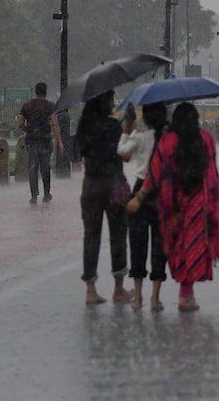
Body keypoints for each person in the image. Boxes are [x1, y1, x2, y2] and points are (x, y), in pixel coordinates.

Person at [128, 103, 219, 313]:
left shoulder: (167, 141)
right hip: (199, 202)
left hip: (173, 204)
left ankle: (177, 292)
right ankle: (186, 294)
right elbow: (211, 171)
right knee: (193, 245)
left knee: (179, 246)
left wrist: (139, 197)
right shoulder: (206, 139)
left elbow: (154, 173)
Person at [76, 90, 131, 306]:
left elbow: (80, 153)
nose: (113, 103)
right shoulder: (113, 127)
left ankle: (91, 289)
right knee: (118, 234)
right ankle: (119, 288)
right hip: (114, 184)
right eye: (110, 99)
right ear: (104, 103)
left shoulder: (85, 128)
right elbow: (123, 154)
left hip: (91, 185)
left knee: (91, 236)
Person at [118, 102, 168, 311]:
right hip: (162, 193)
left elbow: (123, 154)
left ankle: (137, 297)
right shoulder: (168, 139)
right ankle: (155, 298)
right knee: (159, 245)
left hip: (140, 191)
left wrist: (127, 131)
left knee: (137, 243)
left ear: (145, 118)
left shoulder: (139, 137)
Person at [17, 82, 63, 204]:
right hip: (45, 140)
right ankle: (46, 194)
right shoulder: (50, 106)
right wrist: (60, 142)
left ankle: (34, 196)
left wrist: (28, 130)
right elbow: (54, 123)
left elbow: (20, 123)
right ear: (45, 92)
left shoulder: (27, 106)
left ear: (36, 92)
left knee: (33, 167)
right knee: (45, 167)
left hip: (32, 140)